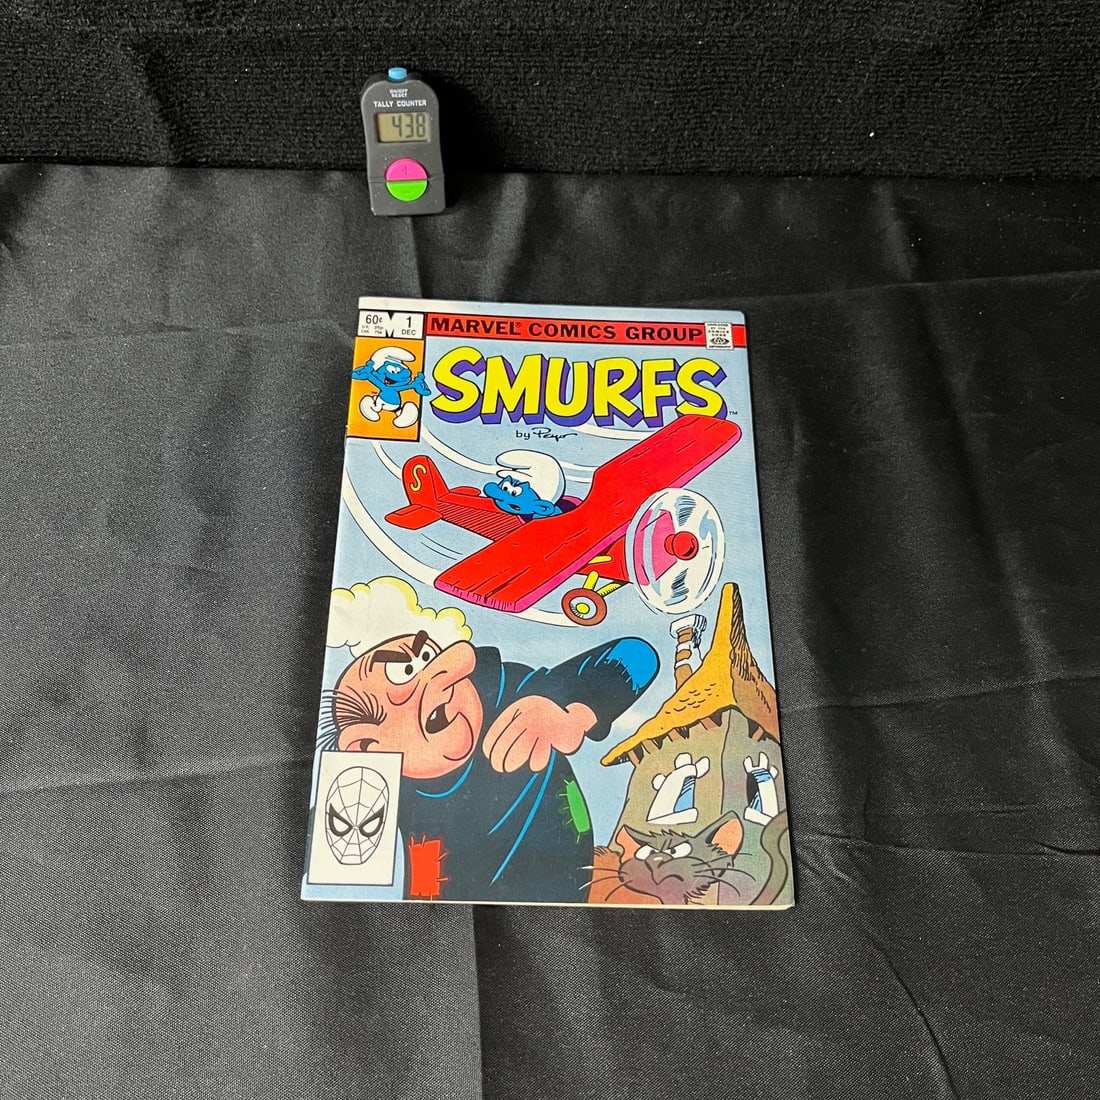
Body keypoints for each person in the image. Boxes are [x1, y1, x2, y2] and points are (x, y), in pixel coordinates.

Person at [328, 594, 659, 901]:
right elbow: (337, 873)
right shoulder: (374, 788)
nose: (438, 678)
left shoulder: (508, 688)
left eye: (426, 656)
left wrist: (578, 713)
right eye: (405, 673)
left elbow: (636, 656)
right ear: (366, 746)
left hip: (564, 893)